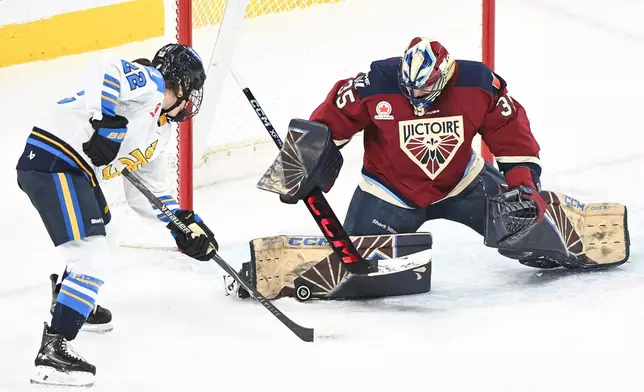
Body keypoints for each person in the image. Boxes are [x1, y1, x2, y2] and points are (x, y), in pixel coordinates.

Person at [295, 36, 628, 270]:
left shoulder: (478, 84)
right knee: (362, 261)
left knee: (524, 229)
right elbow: (333, 118)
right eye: (410, 89)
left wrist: (523, 183)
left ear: (443, 77)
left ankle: (578, 230)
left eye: (424, 89)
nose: (416, 98)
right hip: (389, 191)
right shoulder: (375, 84)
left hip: (463, 182)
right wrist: (303, 159)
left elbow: (509, 131)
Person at [16, 43, 218, 387]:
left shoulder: (160, 131)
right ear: (181, 86)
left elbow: (148, 193)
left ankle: (73, 302)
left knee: (105, 240)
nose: (190, 102)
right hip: (54, 158)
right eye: (191, 92)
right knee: (90, 256)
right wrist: (107, 119)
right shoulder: (151, 83)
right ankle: (53, 350)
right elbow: (104, 69)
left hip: (73, 169)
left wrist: (180, 223)